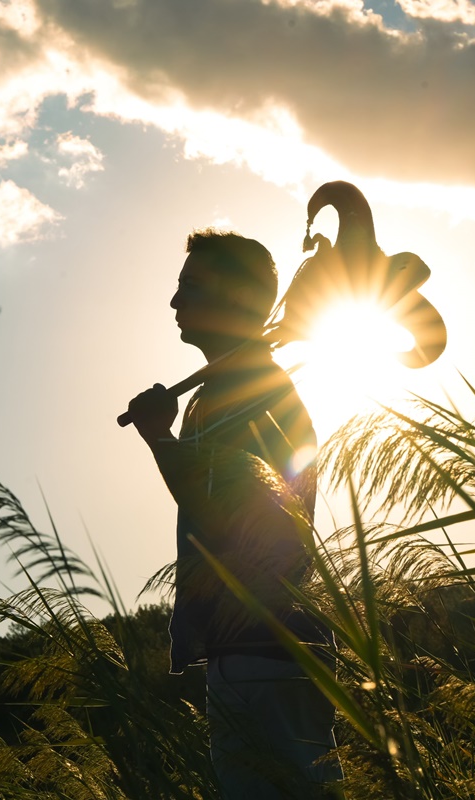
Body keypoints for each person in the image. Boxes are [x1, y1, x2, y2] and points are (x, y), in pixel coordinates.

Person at [126, 229, 343, 798]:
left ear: (240, 298)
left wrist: (158, 438)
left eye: (190, 286)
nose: (175, 302)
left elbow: (231, 508)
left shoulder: (246, 391)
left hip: (267, 652)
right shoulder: (226, 391)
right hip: (248, 651)